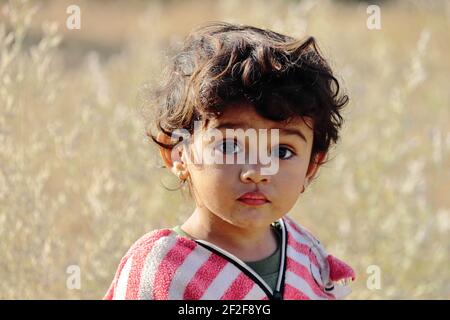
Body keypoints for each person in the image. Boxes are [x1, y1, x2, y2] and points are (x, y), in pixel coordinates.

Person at [104, 21, 355, 300]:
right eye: (230, 146)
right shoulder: (162, 269)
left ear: (311, 166)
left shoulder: (306, 254)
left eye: (282, 151)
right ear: (177, 154)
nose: (257, 172)